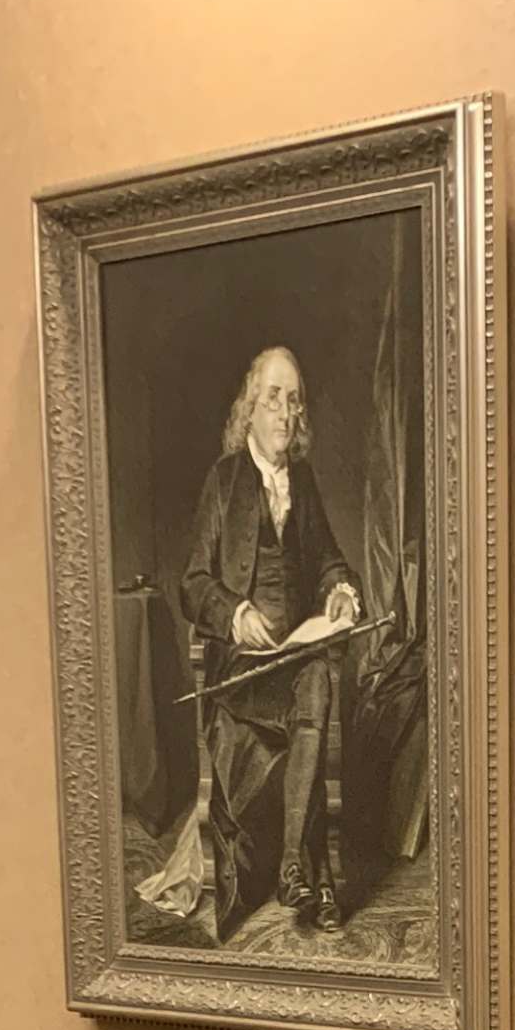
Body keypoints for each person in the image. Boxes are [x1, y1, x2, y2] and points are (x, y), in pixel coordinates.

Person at [174, 347, 362, 930]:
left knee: (315, 686)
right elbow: (193, 582)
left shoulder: (301, 482)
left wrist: (340, 593)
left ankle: (291, 869)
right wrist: (233, 613)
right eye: (274, 398)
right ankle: (313, 874)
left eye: (294, 400)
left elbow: (332, 560)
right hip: (244, 673)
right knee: (311, 692)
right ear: (249, 409)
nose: (286, 412)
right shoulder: (225, 481)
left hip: (295, 660)